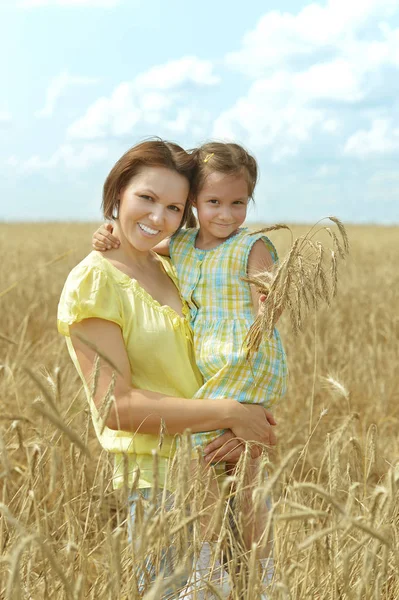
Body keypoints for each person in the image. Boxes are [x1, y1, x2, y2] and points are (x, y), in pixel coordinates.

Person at [58, 140, 277, 598]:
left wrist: (242, 421)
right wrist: (231, 414)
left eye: (174, 207)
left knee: (261, 589)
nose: (158, 217)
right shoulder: (95, 280)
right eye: (146, 198)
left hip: (227, 469)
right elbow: (115, 408)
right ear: (118, 191)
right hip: (162, 487)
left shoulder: (175, 265)